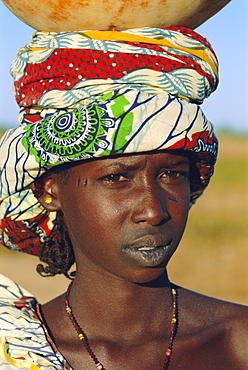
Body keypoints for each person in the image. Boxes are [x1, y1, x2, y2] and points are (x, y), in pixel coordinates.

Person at [0, 26, 247, 370]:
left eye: (172, 174)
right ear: (49, 190)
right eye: (116, 178)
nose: (153, 210)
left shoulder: (237, 342)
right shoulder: (14, 348)